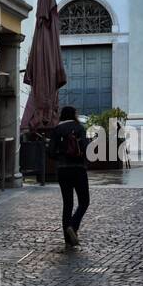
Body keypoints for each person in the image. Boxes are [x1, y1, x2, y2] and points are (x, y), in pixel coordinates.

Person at [47, 105, 89, 247]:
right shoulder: (79, 127)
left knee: (68, 203)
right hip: (78, 169)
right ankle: (73, 225)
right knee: (84, 201)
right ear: (74, 115)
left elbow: (51, 152)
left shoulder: (56, 129)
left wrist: (61, 155)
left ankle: (68, 239)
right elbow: (85, 147)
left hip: (62, 170)